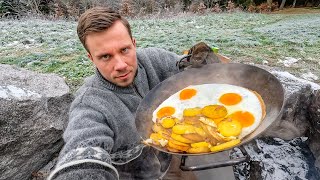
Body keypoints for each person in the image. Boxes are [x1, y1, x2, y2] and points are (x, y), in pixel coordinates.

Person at [48, 6, 218, 180]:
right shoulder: (90, 105)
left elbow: (188, 69)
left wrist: (200, 63)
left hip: (172, 161)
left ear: (134, 44)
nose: (120, 65)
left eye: (124, 50)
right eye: (106, 56)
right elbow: (83, 148)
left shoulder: (155, 60)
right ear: (91, 58)